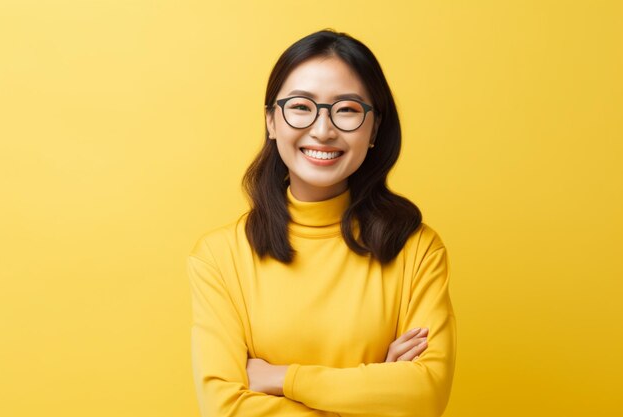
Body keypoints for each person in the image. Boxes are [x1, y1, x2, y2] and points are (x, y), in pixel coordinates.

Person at [187, 28, 457, 417]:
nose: (323, 129)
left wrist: (281, 378)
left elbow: (425, 397)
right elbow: (224, 408)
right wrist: (375, 388)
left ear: (374, 128)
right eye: (300, 106)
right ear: (271, 121)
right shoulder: (219, 256)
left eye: (347, 109)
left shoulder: (416, 250)